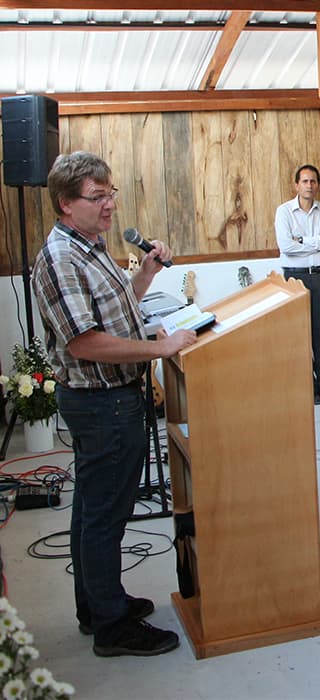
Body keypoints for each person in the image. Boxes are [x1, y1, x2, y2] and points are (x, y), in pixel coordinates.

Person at [32, 151, 197, 656]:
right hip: (101, 404)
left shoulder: (91, 245)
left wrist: (145, 273)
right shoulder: (60, 258)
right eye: (97, 197)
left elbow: (116, 310)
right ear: (66, 203)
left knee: (93, 510)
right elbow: (85, 342)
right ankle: (111, 628)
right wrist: (160, 349)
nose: (109, 205)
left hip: (113, 400)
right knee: (105, 516)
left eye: (111, 194)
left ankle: (97, 606)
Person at [275, 163, 320, 404]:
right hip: (295, 276)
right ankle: (307, 387)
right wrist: (317, 242)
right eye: (305, 181)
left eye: (313, 181)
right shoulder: (284, 211)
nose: (309, 185)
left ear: (317, 185)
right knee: (299, 334)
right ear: (297, 185)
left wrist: (302, 240)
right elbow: (286, 246)